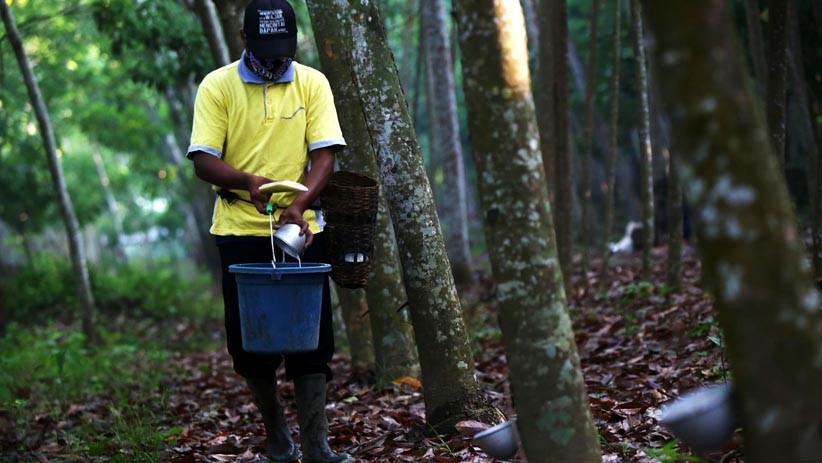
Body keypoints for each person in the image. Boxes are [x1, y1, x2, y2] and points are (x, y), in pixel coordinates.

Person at [186, 1, 350, 461]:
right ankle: (277, 432)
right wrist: (246, 182)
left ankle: (317, 445)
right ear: (243, 39)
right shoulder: (217, 86)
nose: (277, 59)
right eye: (266, 49)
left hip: (302, 228)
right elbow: (203, 160)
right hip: (240, 227)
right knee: (249, 343)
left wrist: (299, 203)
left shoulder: (311, 82)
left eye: (284, 49)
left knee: (312, 340)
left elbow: (324, 156)